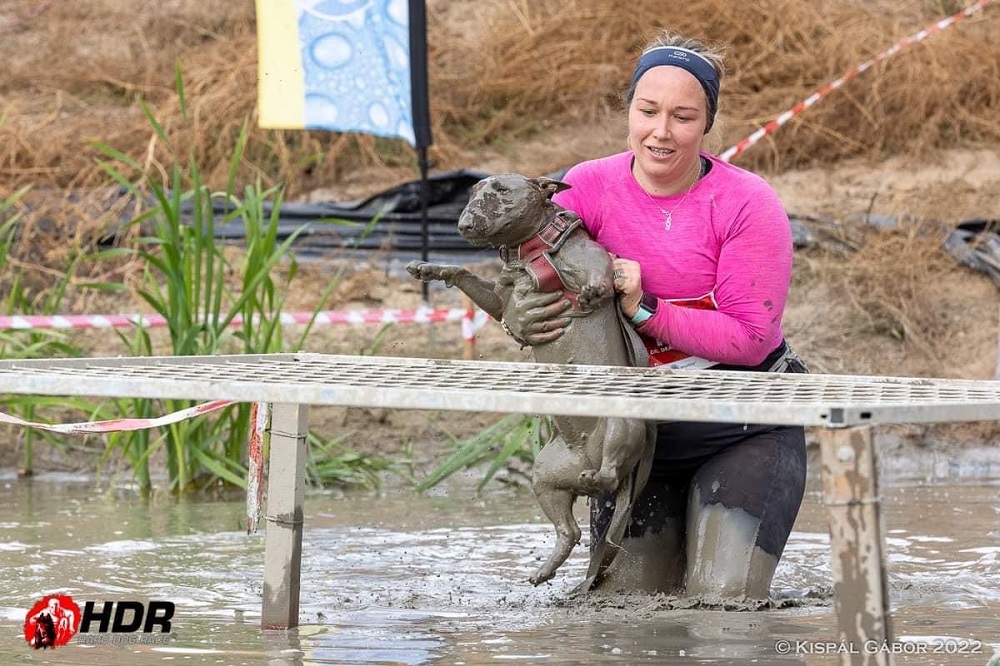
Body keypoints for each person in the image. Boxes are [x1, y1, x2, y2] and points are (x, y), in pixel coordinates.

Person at [500, 30, 808, 599]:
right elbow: (530, 277)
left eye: (682, 117)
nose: (661, 132)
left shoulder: (747, 202)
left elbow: (750, 338)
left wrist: (643, 309)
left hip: (742, 424)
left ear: (707, 124)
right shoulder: (585, 187)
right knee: (625, 616)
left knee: (724, 606)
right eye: (648, 111)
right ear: (629, 111)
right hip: (633, 434)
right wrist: (516, 315)